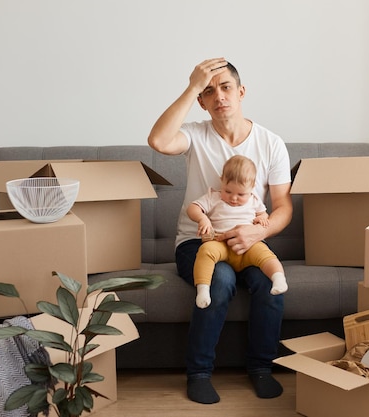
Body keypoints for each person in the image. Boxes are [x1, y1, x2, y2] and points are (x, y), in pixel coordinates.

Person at [147, 57, 293, 404]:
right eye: (209, 91)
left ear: (241, 92)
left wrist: (260, 232)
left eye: (226, 87)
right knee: (221, 278)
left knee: (269, 285)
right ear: (201, 101)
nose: (219, 96)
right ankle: (198, 373)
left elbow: (283, 206)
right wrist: (192, 85)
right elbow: (157, 140)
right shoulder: (196, 135)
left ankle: (260, 368)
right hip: (199, 243)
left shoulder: (271, 143)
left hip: (249, 243)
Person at [187, 155, 288, 309]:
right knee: (205, 251)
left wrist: (261, 220)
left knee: (266, 254)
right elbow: (192, 208)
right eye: (228, 191)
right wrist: (203, 219)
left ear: (252, 186)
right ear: (222, 181)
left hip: (248, 246)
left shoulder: (254, 200)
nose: (233, 198)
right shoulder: (213, 197)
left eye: (241, 194)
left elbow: (262, 214)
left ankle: (278, 278)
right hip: (220, 243)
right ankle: (203, 290)